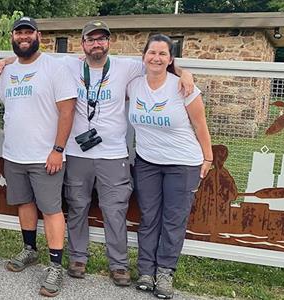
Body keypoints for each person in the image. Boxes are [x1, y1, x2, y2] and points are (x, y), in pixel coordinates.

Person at [0, 20, 194, 286]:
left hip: (113, 154)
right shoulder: (67, 65)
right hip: (77, 152)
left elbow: (157, 63)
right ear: (83, 43)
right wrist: (6, 61)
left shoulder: (126, 66)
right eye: (91, 39)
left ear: (109, 43)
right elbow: (30, 55)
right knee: (77, 207)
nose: (96, 44)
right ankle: (78, 259)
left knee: (114, 210)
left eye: (101, 39)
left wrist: (184, 72)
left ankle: (118, 265)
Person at [0, 17, 76, 297]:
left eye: (28, 32)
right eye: (18, 33)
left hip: (45, 155)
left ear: (38, 35)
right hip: (15, 154)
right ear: (12, 37)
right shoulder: (6, 72)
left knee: (51, 209)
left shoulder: (54, 68)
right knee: (24, 203)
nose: (23, 37)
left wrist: (58, 150)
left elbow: (67, 111)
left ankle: (55, 265)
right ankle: (29, 249)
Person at [127, 34, 212, 299]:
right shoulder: (133, 85)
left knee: (173, 220)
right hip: (147, 162)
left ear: (170, 59)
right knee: (149, 217)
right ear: (144, 57)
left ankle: (164, 273)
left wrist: (207, 158)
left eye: (163, 54)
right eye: (152, 52)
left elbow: (200, 125)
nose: (157, 58)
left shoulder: (183, 87)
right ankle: (145, 271)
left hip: (182, 163)